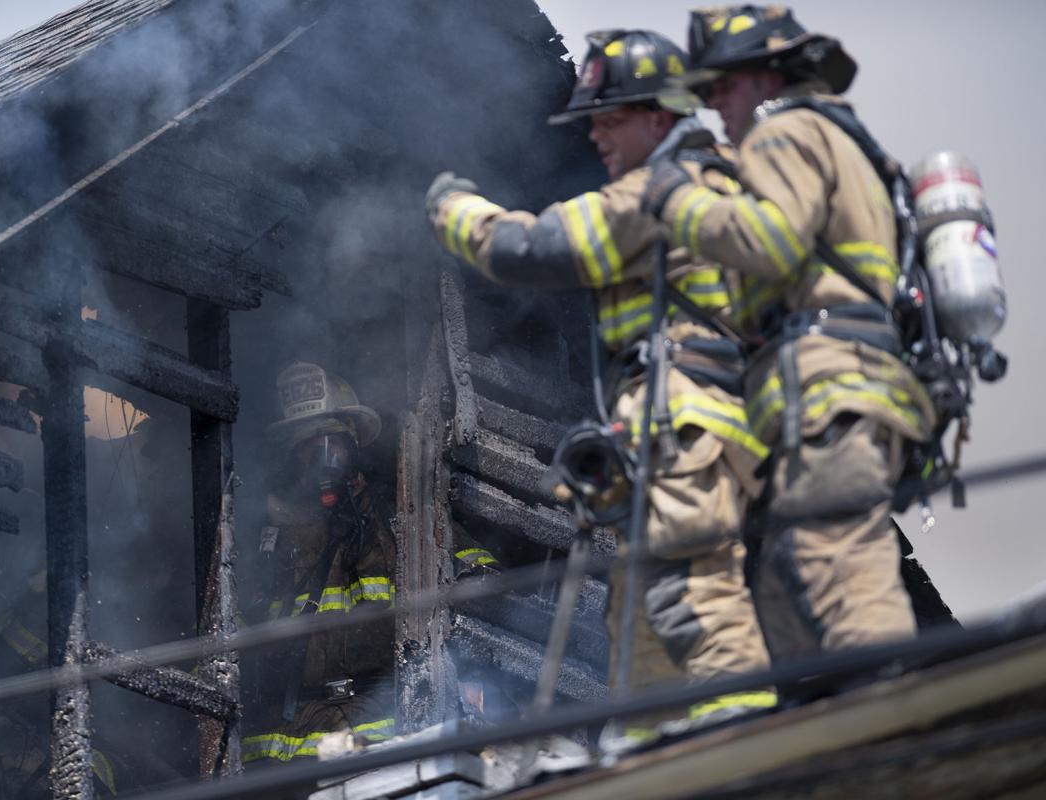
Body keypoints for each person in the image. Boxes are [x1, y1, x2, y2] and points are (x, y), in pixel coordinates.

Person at [425, 30, 774, 724]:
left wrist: (452, 210)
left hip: (687, 429)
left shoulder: (658, 194)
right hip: (674, 438)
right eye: (592, 123)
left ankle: (745, 738)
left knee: (694, 597)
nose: (598, 138)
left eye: (611, 119)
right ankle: (652, 758)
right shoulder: (720, 192)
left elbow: (526, 247)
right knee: (640, 619)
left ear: (660, 117)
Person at [643, 5, 936, 660]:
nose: (715, 105)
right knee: (782, 586)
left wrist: (675, 199)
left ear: (767, 77)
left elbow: (770, 241)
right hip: (859, 383)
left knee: (842, 567)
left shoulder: (782, 135)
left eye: (722, 85)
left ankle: (891, 723)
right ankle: (818, 735)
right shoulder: (847, 138)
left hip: (828, 387)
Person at [241, 362, 497, 763]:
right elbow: (232, 626)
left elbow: (482, 580)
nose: (321, 458)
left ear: (354, 443)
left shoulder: (402, 516)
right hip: (286, 736)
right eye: (308, 446)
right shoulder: (270, 533)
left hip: (377, 721)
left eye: (331, 442)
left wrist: (467, 667)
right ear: (293, 455)